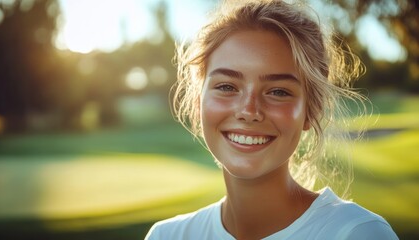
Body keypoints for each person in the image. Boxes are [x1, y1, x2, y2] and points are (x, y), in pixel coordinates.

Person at [145, 0, 399, 239]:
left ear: (311, 110)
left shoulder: (357, 233)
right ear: (199, 102)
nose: (249, 110)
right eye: (226, 87)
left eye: (278, 91)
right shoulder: (166, 235)